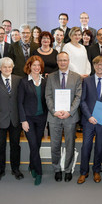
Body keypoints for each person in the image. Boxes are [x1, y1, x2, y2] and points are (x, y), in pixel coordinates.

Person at [45, 52, 82, 182]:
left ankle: (67, 169)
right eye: (60, 60)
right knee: (55, 145)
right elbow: (48, 96)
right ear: (57, 61)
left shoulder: (77, 77)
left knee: (70, 144)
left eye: (65, 60)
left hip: (70, 117)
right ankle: (57, 169)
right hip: (54, 116)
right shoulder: (50, 77)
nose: (62, 62)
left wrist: (70, 112)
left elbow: (78, 96)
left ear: (68, 61)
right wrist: (54, 111)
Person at [78, 56, 102, 184]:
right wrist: (89, 116)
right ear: (93, 66)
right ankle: (83, 172)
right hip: (89, 120)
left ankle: (97, 171)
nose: (100, 67)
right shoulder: (86, 81)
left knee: (99, 147)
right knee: (86, 147)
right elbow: (82, 101)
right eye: (97, 65)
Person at [0, 57, 23, 183]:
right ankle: (0, 170)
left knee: (15, 146)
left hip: (15, 120)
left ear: (12, 68)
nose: (7, 69)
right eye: (4, 67)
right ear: (0, 68)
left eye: (9, 67)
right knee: (0, 146)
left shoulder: (19, 80)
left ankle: (15, 169)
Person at [18, 56, 47, 185]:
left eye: (38, 65)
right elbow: (19, 103)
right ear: (29, 66)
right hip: (28, 119)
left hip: (41, 118)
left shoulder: (45, 81)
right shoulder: (23, 82)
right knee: (33, 145)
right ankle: (39, 172)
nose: (36, 68)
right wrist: (23, 120)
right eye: (34, 65)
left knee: (37, 145)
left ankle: (32, 165)